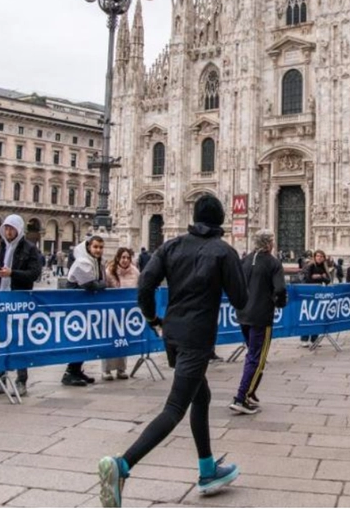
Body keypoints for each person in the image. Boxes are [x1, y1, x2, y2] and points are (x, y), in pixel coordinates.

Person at [98, 195, 247, 507]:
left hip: (173, 335)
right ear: (220, 221)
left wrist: (153, 318)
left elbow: (144, 286)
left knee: (201, 395)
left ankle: (207, 469)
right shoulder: (224, 251)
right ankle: (122, 465)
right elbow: (241, 299)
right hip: (196, 339)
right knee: (175, 408)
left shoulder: (171, 246)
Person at [230, 230, 287, 416]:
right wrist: (279, 302)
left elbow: (235, 284)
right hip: (261, 316)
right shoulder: (273, 263)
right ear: (269, 243)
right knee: (257, 357)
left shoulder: (245, 260)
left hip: (243, 315)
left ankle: (251, 391)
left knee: (254, 355)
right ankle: (241, 397)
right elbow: (280, 289)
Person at [0, 215, 42, 396]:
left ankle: (21, 380)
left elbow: (34, 274)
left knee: (19, 341)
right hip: (0, 299)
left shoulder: (30, 249)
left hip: (19, 300)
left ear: (18, 229)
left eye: (11, 228)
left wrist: (12, 273)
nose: (8, 232)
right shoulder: (0, 247)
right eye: (6, 228)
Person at [64, 234, 108, 386]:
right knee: (79, 339)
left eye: (101, 247)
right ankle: (69, 373)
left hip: (84, 306)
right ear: (89, 247)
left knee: (85, 339)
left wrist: (100, 283)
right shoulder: (83, 261)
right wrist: (104, 284)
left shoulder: (94, 260)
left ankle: (76, 370)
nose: (98, 250)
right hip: (76, 305)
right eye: (95, 247)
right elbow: (91, 285)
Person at [102, 248, 140, 380]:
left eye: (127, 258)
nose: (125, 260)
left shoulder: (135, 272)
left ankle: (121, 369)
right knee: (110, 340)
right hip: (111, 312)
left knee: (123, 341)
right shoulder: (109, 272)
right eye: (123, 257)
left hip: (127, 312)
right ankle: (106, 370)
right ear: (118, 258)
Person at [300, 251, 332, 346]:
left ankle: (314, 339)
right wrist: (321, 277)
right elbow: (308, 279)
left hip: (319, 294)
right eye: (318, 256)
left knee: (318, 316)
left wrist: (318, 277)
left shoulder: (324, 267)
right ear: (314, 257)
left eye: (321, 256)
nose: (319, 258)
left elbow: (328, 280)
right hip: (309, 294)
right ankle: (304, 339)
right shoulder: (310, 266)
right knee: (308, 316)